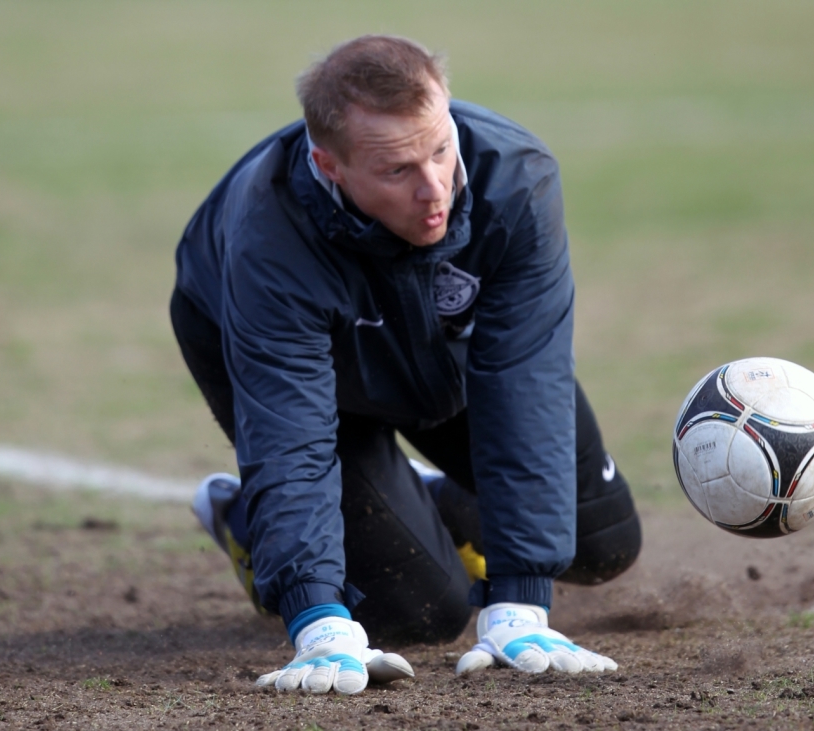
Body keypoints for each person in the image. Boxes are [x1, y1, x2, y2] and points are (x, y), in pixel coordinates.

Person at [171, 35, 641, 695]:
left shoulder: (516, 181)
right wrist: (314, 616)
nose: (433, 189)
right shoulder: (267, 238)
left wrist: (520, 600)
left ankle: (430, 499)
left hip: (446, 357)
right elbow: (292, 433)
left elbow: (521, 379)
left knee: (603, 543)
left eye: (440, 149)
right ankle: (247, 518)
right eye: (396, 171)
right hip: (318, 387)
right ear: (327, 166)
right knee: (423, 612)